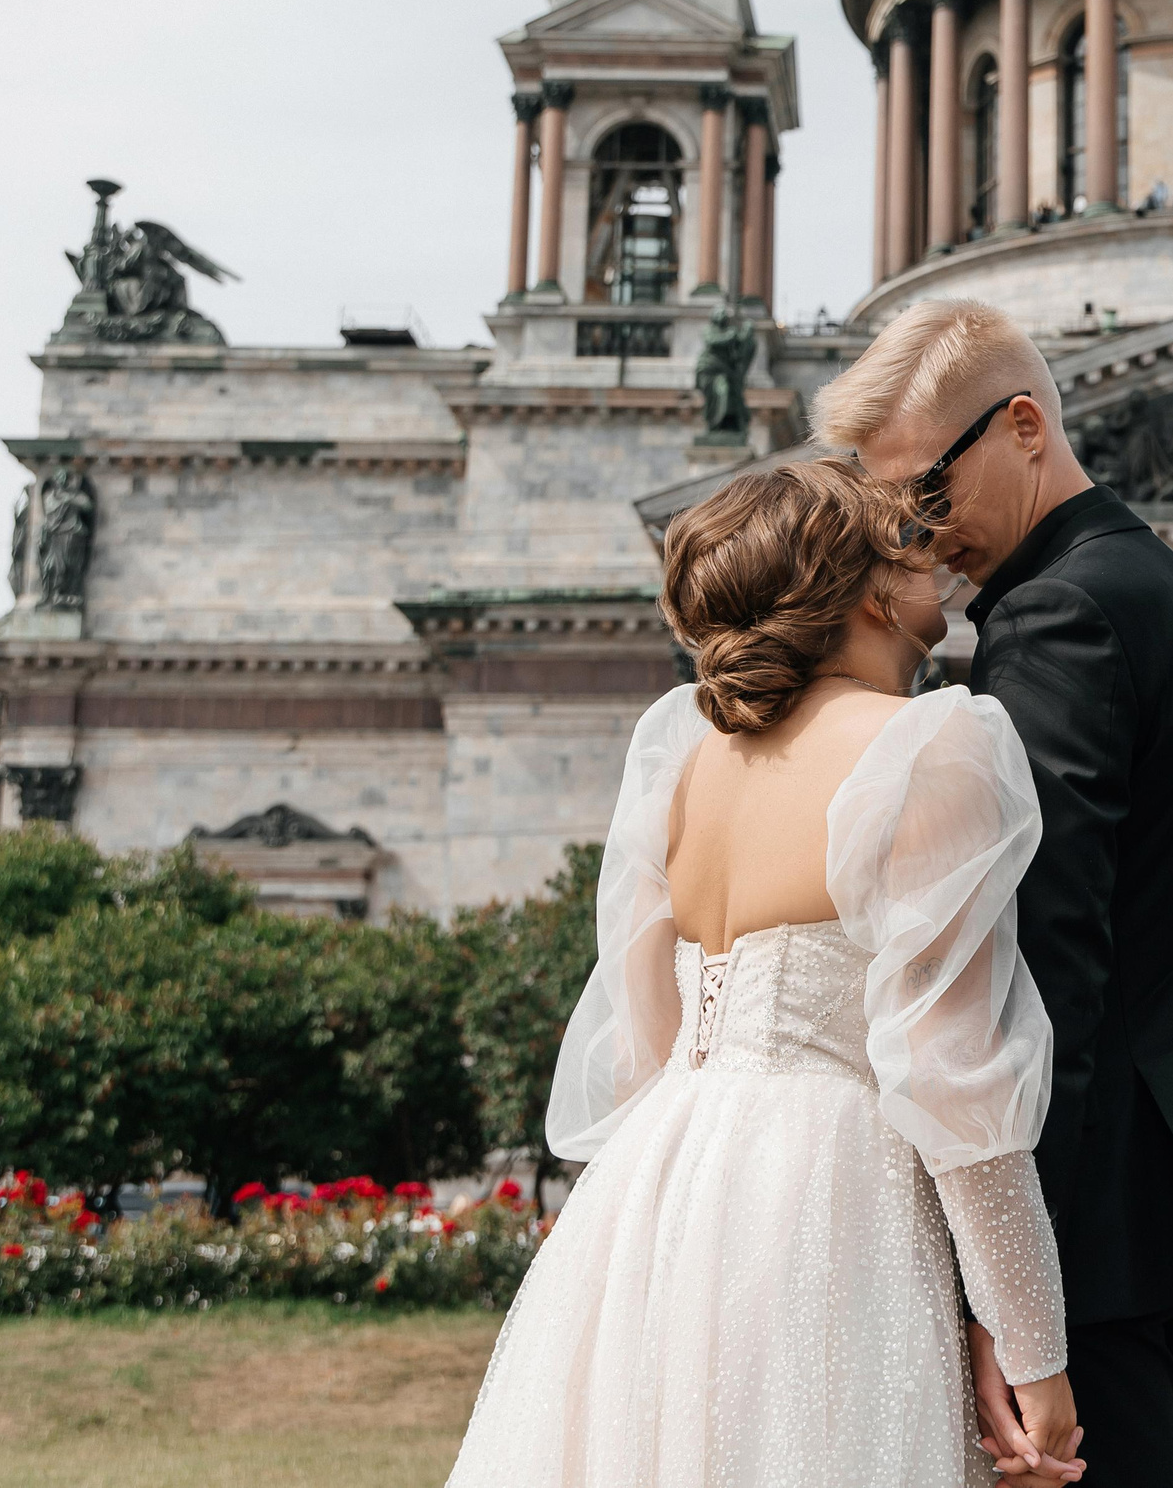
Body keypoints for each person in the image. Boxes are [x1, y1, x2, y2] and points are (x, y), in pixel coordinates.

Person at [445, 460, 1083, 1487]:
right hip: (826, 1193)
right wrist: (1036, 1350)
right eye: (908, 541)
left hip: (656, 1187)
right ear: (873, 591)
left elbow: (640, 1049)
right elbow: (960, 1089)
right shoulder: (930, 743)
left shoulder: (683, 759)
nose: (938, 555)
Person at [816, 299, 1173, 1488]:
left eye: (926, 494)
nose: (915, 535)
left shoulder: (1055, 618)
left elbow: (1041, 959)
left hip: (1090, 1222)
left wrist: (1009, 1289)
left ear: (1021, 426)